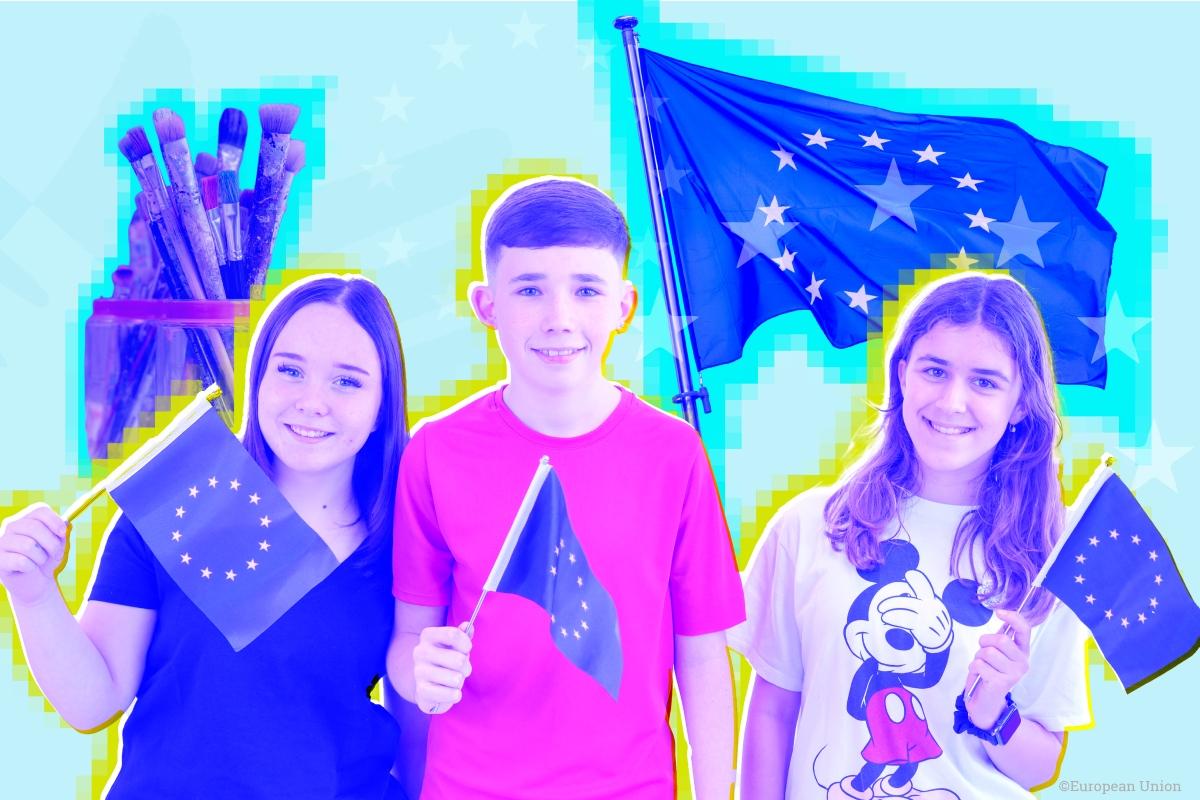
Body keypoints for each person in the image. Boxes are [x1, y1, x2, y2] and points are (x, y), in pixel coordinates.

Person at [386, 176, 746, 799]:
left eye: (586, 290)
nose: (559, 318)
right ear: (486, 303)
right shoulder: (435, 452)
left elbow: (702, 654)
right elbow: (405, 642)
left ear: (624, 306)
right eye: (530, 289)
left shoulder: (673, 454)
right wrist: (419, 672)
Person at [0, 274, 410, 799]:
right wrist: (34, 596)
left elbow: (423, 727)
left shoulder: (408, 538)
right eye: (289, 370)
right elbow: (91, 701)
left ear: (383, 404)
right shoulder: (179, 504)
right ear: (257, 379)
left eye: (347, 381)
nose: (312, 401)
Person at [733, 273, 1092, 800]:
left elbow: (1038, 768)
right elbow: (771, 710)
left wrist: (993, 709)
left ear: (1020, 404)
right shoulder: (812, 524)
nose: (951, 402)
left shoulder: (1048, 553)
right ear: (902, 374)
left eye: (985, 382)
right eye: (934, 370)